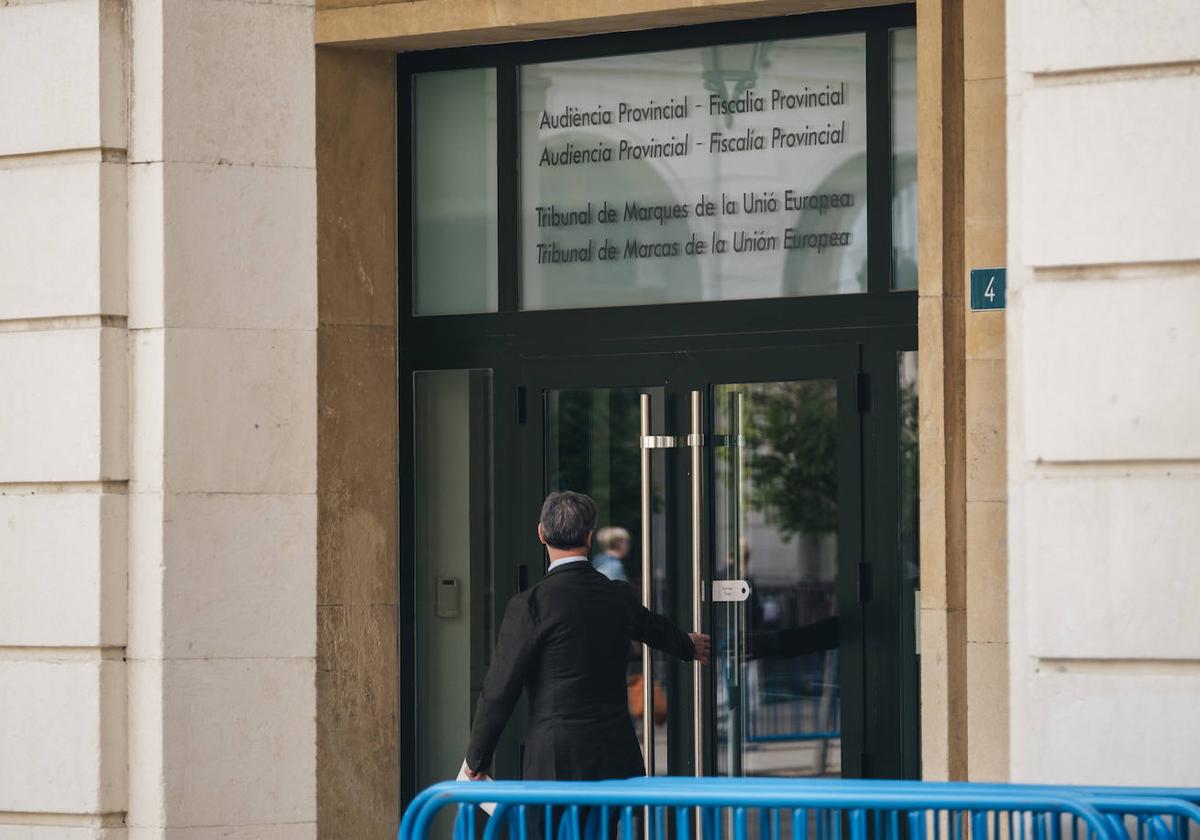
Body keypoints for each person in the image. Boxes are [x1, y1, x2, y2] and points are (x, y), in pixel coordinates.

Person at [464, 491, 710, 783]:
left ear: (541, 534)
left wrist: (476, 759)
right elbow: (655, 628)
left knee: (551, 832)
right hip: (615, 755)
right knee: (604, 831)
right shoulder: (617, 596)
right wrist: (689, 645)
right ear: (590, 536)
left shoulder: (530, 604)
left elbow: (500, 689)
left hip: (555, 758)